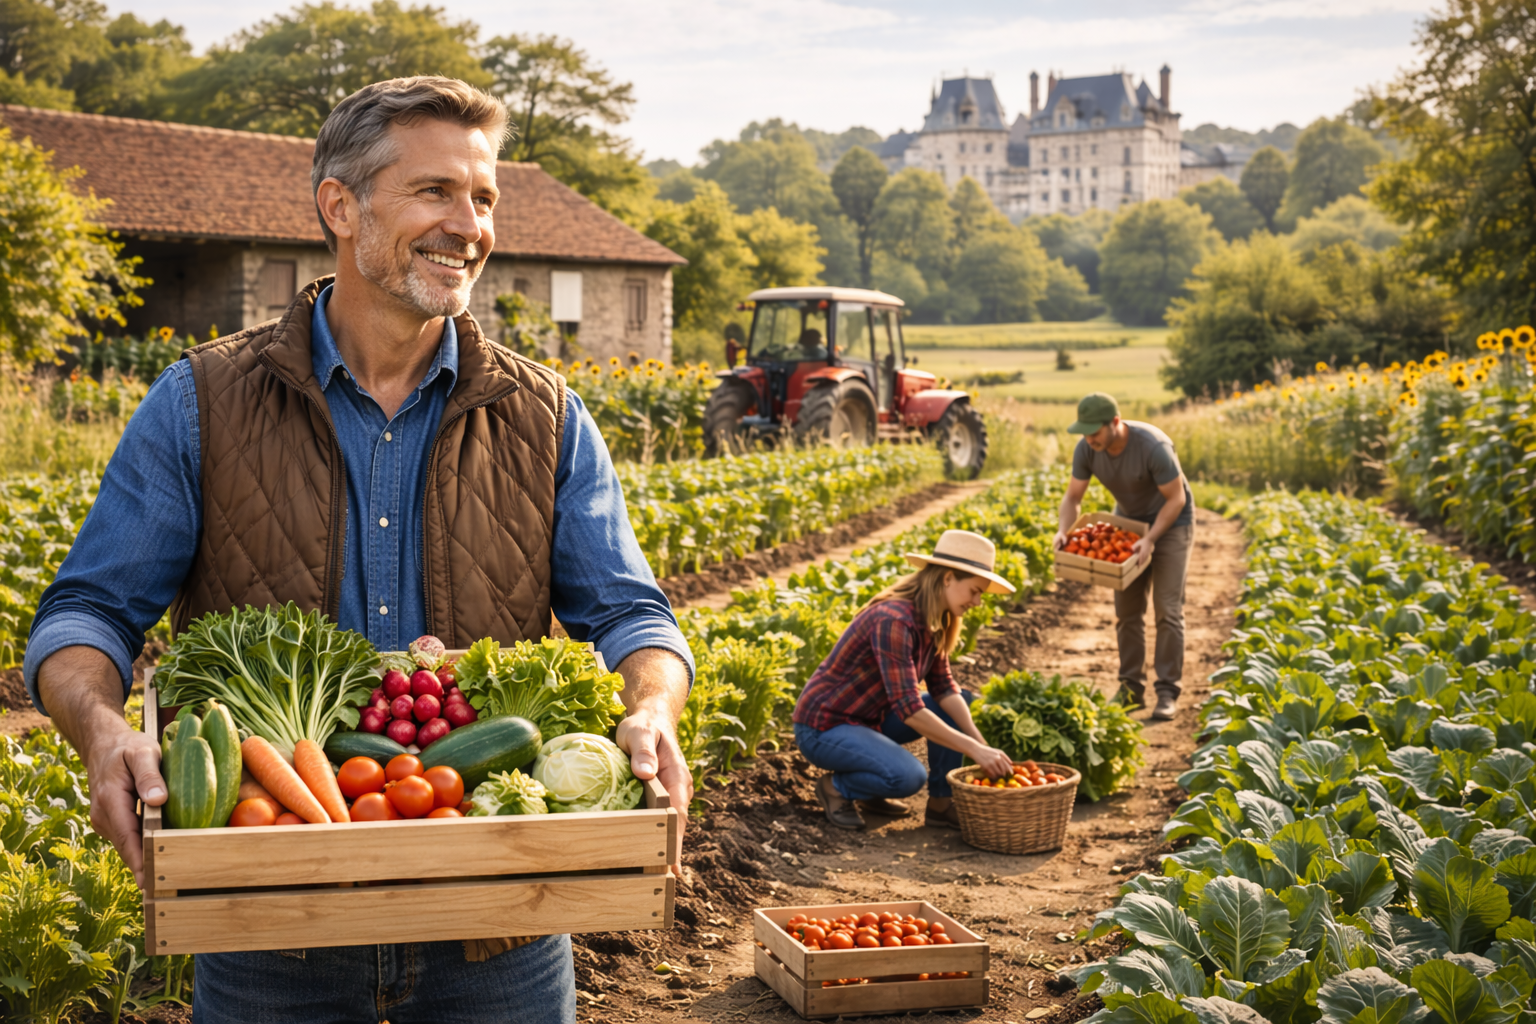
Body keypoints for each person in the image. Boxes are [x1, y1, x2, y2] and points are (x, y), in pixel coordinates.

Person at [24, 76, 695, 1024]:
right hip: (268, 927)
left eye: (484, 198)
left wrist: (653, 707)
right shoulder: (199, 402)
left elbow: (632, 612)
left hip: (499, 921)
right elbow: (88, 612)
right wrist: (102, 731)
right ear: (339, 206)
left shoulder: (547, 415)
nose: (470, 225)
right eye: (435, 192)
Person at [792, 530, 1017, 831]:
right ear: (948, 578)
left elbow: (943, 687)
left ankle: (940, 804)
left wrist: (978, 741)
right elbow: (908, 708)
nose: (977, 602)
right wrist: (974, 750)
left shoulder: (935, 618)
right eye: (975, 591)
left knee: (958, 701)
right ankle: (836, 788)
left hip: (870, 719)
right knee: (907, 776)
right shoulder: (894, 619)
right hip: (825, 727)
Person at [1054, 392, 1193, 722]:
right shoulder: (1087, 449)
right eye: (1084, 433)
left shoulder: (1153, 447)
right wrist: (1064, 530)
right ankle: (1131, 689)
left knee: (1168, 609)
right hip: (1129, 524)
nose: (1089, 439)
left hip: (1172, 524)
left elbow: (1176, 499)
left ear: (1115, 422)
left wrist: (1151, 539)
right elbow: (1073, 497)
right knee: (1127, 611)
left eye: (1094, 432)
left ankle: (1167, 692)